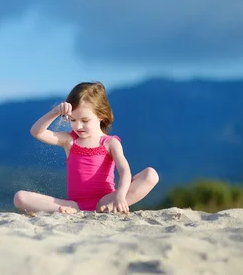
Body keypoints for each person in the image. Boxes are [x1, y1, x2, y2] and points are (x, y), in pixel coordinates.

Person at [13, 81, 159, 214]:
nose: (78, 126)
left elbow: (124, 171)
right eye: (73, 120)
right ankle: (69, 211)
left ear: (101, 116)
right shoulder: (69, 140)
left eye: (85, 120)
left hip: (105, 200)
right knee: (19, 198)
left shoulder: (110, 143)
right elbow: (36, 132)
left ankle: (111, 206)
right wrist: (55, 112)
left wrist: (120, 196)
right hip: (74, 205)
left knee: (151, 175)